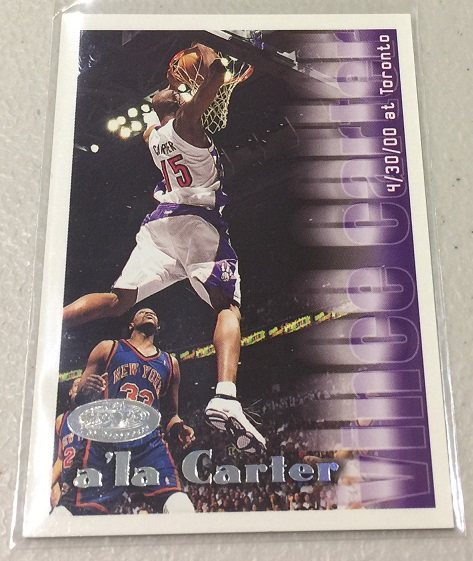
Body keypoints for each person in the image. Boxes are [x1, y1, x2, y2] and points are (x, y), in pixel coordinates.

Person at [63, 43, 265, 453]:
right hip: (197, 223)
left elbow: (170, 108)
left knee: (118, 301)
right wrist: (204, 48)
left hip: (159, 227)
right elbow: (216, 70)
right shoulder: (188, 123)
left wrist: (174, 88)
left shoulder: (152, 135)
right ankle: (225, 396)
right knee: (227, 308)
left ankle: (52, 324)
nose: (167, 90)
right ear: (179, 103)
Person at [72, 308, 195, 514]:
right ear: (131, 324)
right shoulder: (108, 348)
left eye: (153, 313)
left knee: (179, 504)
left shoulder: (170, 363)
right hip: (107, 439)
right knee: (87, 512)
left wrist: (179, 428)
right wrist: (85, 391)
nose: (149, 313)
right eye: (142, 311)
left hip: (148, 443)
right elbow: (78, 400)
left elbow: (171, 415)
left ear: (158, 326)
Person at [51, 377, 86, 513]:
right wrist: (48, 485)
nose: (79, 388)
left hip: (86, 484)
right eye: (77, 385)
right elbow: (60, 459)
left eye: (83, 385)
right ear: (70, 391)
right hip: (68, 488)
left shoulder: (95, 417)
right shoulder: (61, 420)